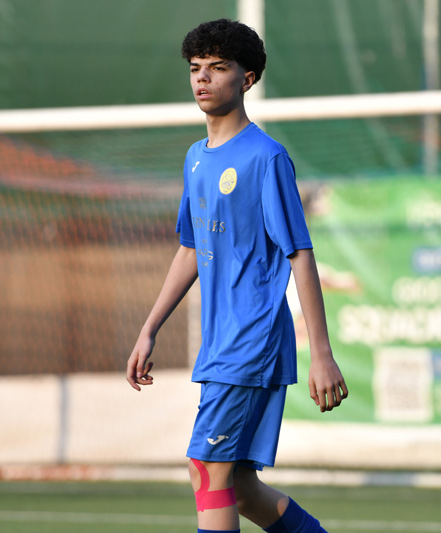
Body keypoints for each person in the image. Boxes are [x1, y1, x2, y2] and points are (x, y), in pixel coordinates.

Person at [126, 18, 348, 533]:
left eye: (217, 67)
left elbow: (300, 254)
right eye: (195, 68)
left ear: (247, 79)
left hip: (251, 340)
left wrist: (321, 354)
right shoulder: (195, 158)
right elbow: (190, 248)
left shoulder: (266, 158)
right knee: (239, 486)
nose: (202, 78)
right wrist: (150, 327)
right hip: (221, 343)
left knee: (207, 470)